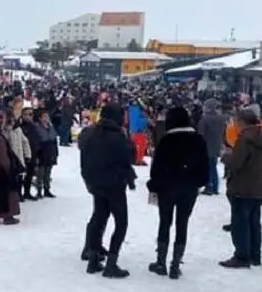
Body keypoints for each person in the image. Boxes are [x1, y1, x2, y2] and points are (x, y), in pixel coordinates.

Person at [146, 107, 209, 279]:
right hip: (189, 189)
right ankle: (175, 264)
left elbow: (157, 167)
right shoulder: (198, 140)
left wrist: (153, 186)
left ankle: (160, 262)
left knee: (165, 222)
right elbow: (205, 168)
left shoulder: (167, 140)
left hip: (167, 188)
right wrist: (199, 182)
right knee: (183, 223)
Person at [80, 103, 136, 278]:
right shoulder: (117, 137)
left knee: (99, 217)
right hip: (114, 185)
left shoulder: (90, 132)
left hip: (94, 182)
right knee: (121, 222)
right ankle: (111, 264)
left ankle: (93, 259)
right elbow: (127, 159)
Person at [219, 109, 262, 269]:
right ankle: (255, 255)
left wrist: (226, 156)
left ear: (242, 122)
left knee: (240, 222)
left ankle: (242, 255)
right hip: (258, 185)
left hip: (241, 185)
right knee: (254, 222)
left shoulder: (244, 140)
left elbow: (237, 163)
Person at [197, 98, 226, 195]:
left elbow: (201, 134)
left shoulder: (205, 119)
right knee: (213, 166)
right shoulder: (221, 119)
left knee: (207, 167)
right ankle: (215, 186)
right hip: (216, 145)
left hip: (206, 146)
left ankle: (208, 186)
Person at [35, 108, 59, 198]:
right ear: (40, 118)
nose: (47, 118)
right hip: (41, 151)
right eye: (44, 116)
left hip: (50, 151)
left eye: (47, 116)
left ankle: (47, 189)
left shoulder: (50, 126)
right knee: (40, 173)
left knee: (48, 173)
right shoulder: (37, 127)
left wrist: (56, 153)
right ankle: (39, 190)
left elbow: (54, 140)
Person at [19, 107, 40, 200]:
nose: (28, 116)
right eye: (26, 114)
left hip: (33, 153)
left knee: (30, 174)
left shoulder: (34, 126)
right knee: (21, 175)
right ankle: (19, 193)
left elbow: (37, 140)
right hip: (22, 154)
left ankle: (27, 192)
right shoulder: (19, 127)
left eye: (30, 114)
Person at [127, 100, 149, 165]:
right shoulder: (135, 110)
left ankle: (138, 159)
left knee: (139, 146)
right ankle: (138, 160)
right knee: (140, 146)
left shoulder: (134, 110)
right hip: (137, 131)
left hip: (136, 131)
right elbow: (136, 121)